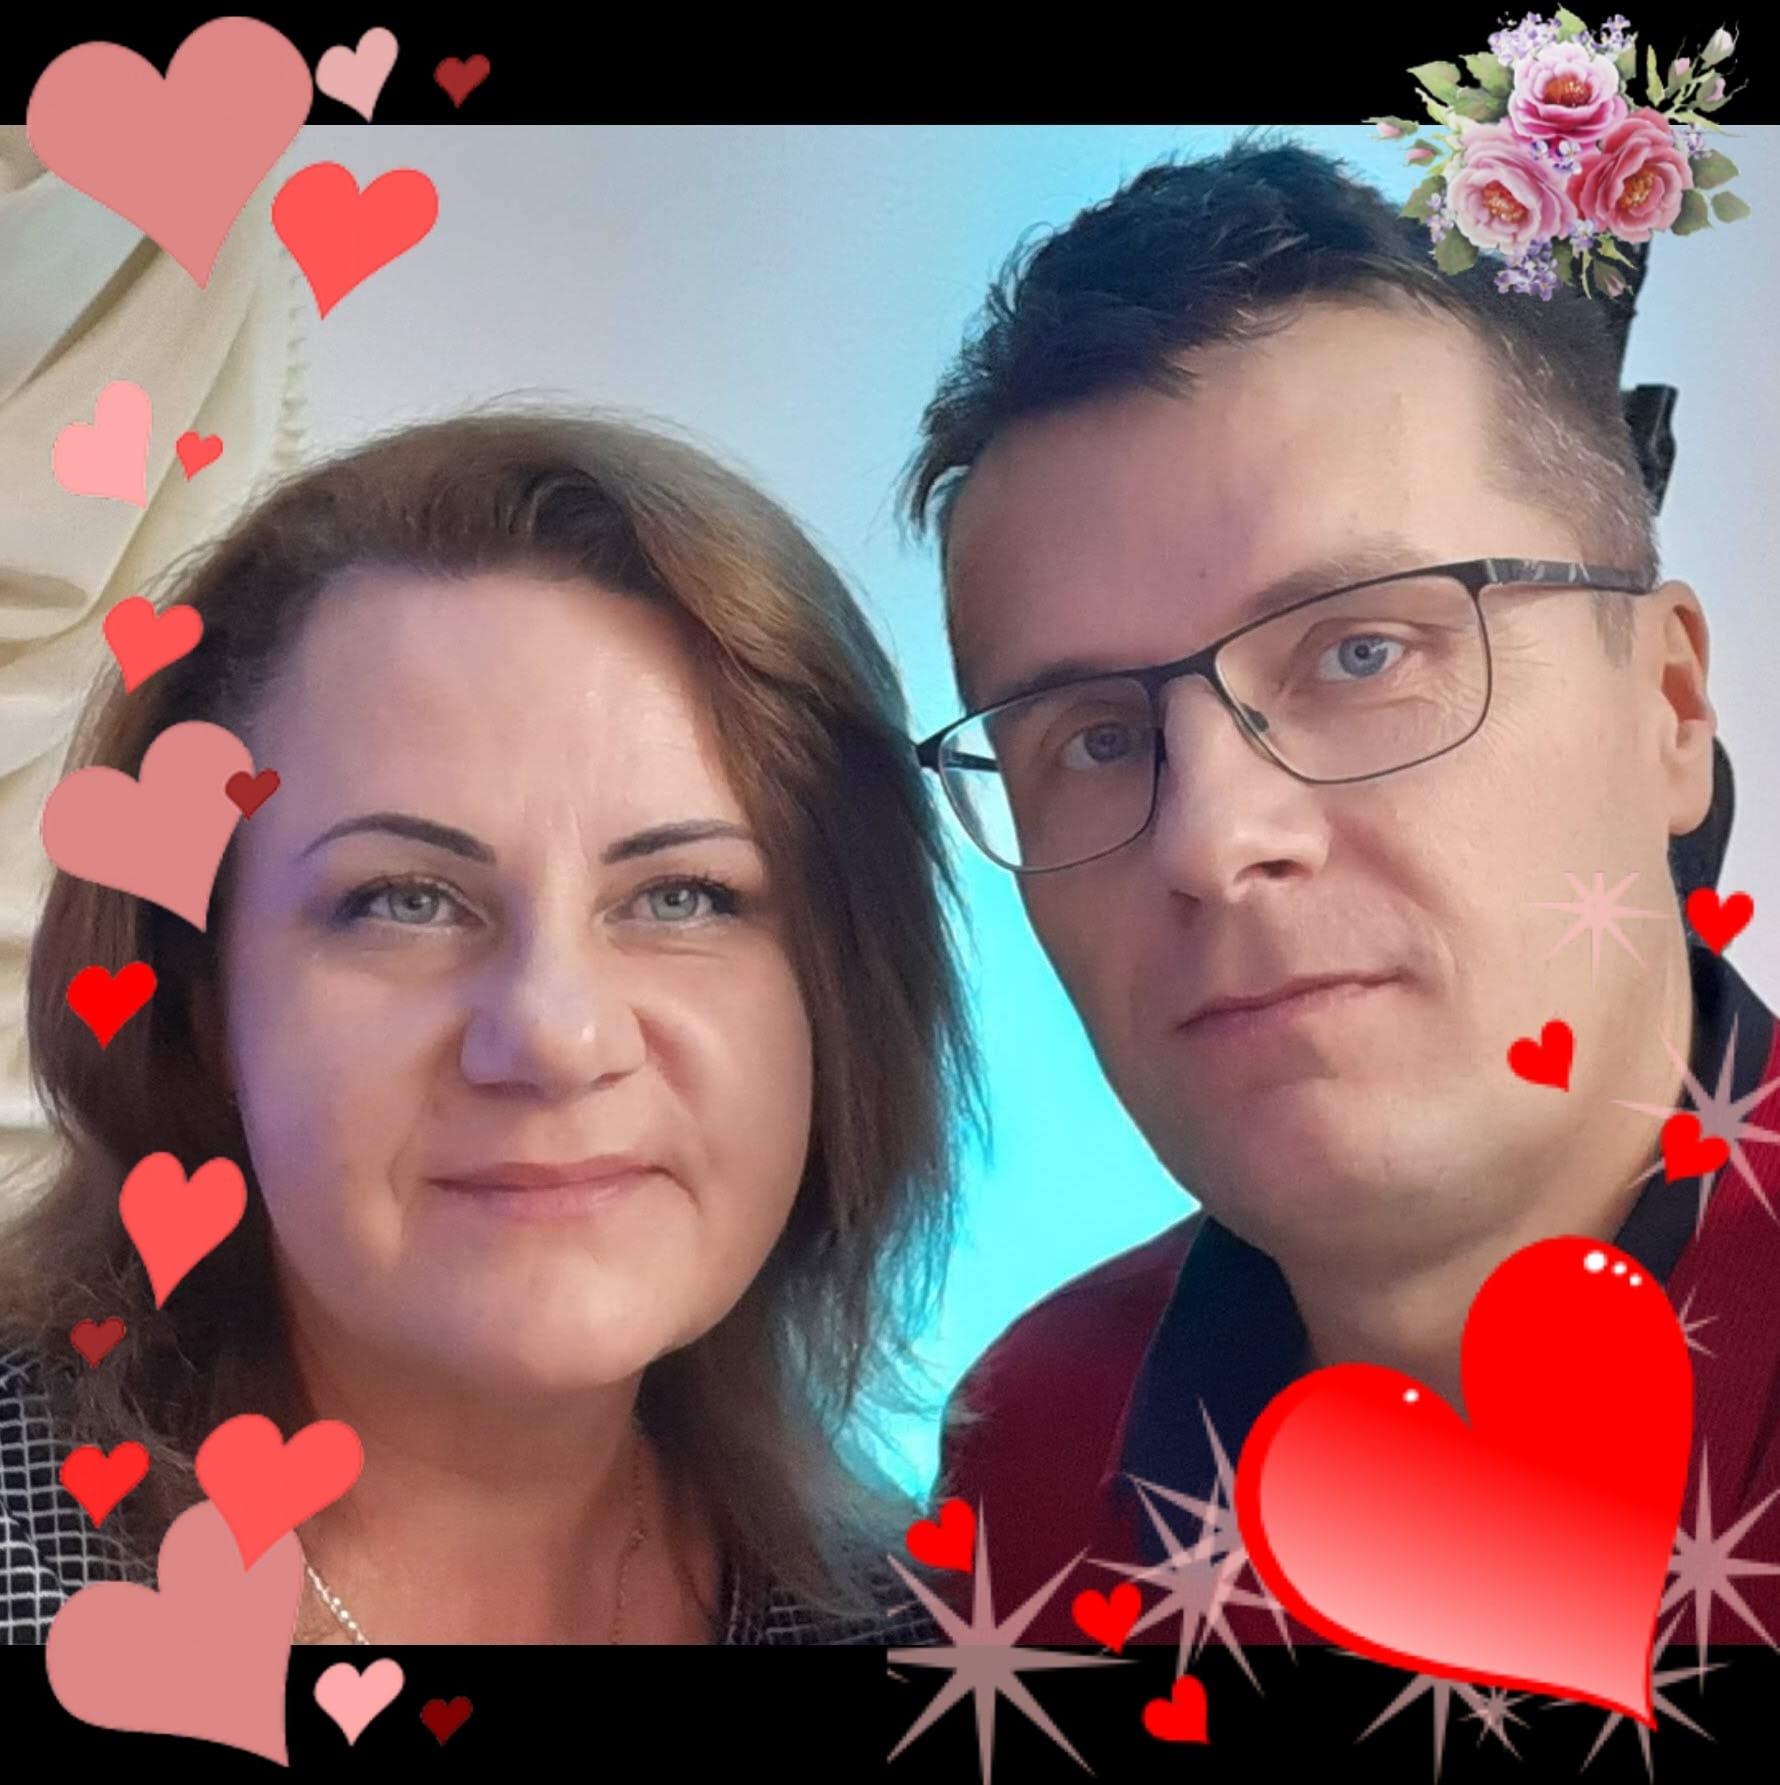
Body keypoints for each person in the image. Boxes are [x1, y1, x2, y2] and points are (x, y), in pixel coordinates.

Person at [904, 134, 1780, 1652]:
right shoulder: (1028, 1458)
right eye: (1095, 739)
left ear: (1668, 708)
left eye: (1363, 652)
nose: (1211, 839)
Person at [0, 403, 984, 1645]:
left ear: (839, 1004)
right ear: (202, 1009)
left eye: (682, 897)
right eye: (403, 902)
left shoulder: (916, 1628)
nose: (555, 1039)